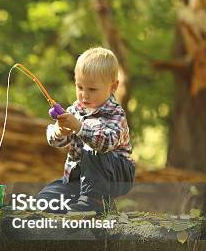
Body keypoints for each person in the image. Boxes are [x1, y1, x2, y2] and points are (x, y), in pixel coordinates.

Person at [38, 47, 135, 214]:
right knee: (45, 200)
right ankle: (86, 204)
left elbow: (106, 143)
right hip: (79, 179)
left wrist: (79, 127)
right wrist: (59, 131)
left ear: (113, 87)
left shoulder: (115, 113)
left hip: (115, 175)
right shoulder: (76, 110)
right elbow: (55, 141)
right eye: (80, 87)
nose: (84, 95)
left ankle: (95, 202)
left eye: (92, 89)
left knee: (92, 148)